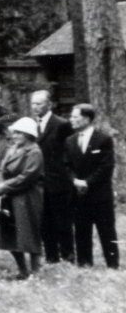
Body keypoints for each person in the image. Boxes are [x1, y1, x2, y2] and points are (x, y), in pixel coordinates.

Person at [65, 104, 119, 269]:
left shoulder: (103, 139)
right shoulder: (70, 141)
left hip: (100, 195)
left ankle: (112, 264)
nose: (71, 120)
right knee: (81, 231)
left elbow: (106, 167)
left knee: (106, 231)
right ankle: (84, 264)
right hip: (79, 195)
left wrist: (87, 182)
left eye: (75, 117)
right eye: (71, 116)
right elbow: (66, 165)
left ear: (87, 119)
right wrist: (74, 180)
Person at [0, 118, 44, 279]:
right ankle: (22, 270)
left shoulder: (34, 151)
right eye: (14, 132)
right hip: (10, 197)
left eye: (18, 133)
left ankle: (35, 272)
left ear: (28, 135)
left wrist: (4, 186)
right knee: (10, 234)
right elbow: (3, 168)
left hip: (27, 198)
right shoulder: (12, 149)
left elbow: (27, 177)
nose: (14, 136)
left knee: (29, 234)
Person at [31, 90, 75, 263]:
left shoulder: (62, 124)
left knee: (62, 220)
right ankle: (51, 256)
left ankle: (68, 254)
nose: (35, 107)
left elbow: (70, 151)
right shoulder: (30, 125)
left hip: (58, 180)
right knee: (44, 221)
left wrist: (67, 174)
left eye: (39, 104)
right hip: (38, 181)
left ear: (49, 104)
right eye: (33, 104)